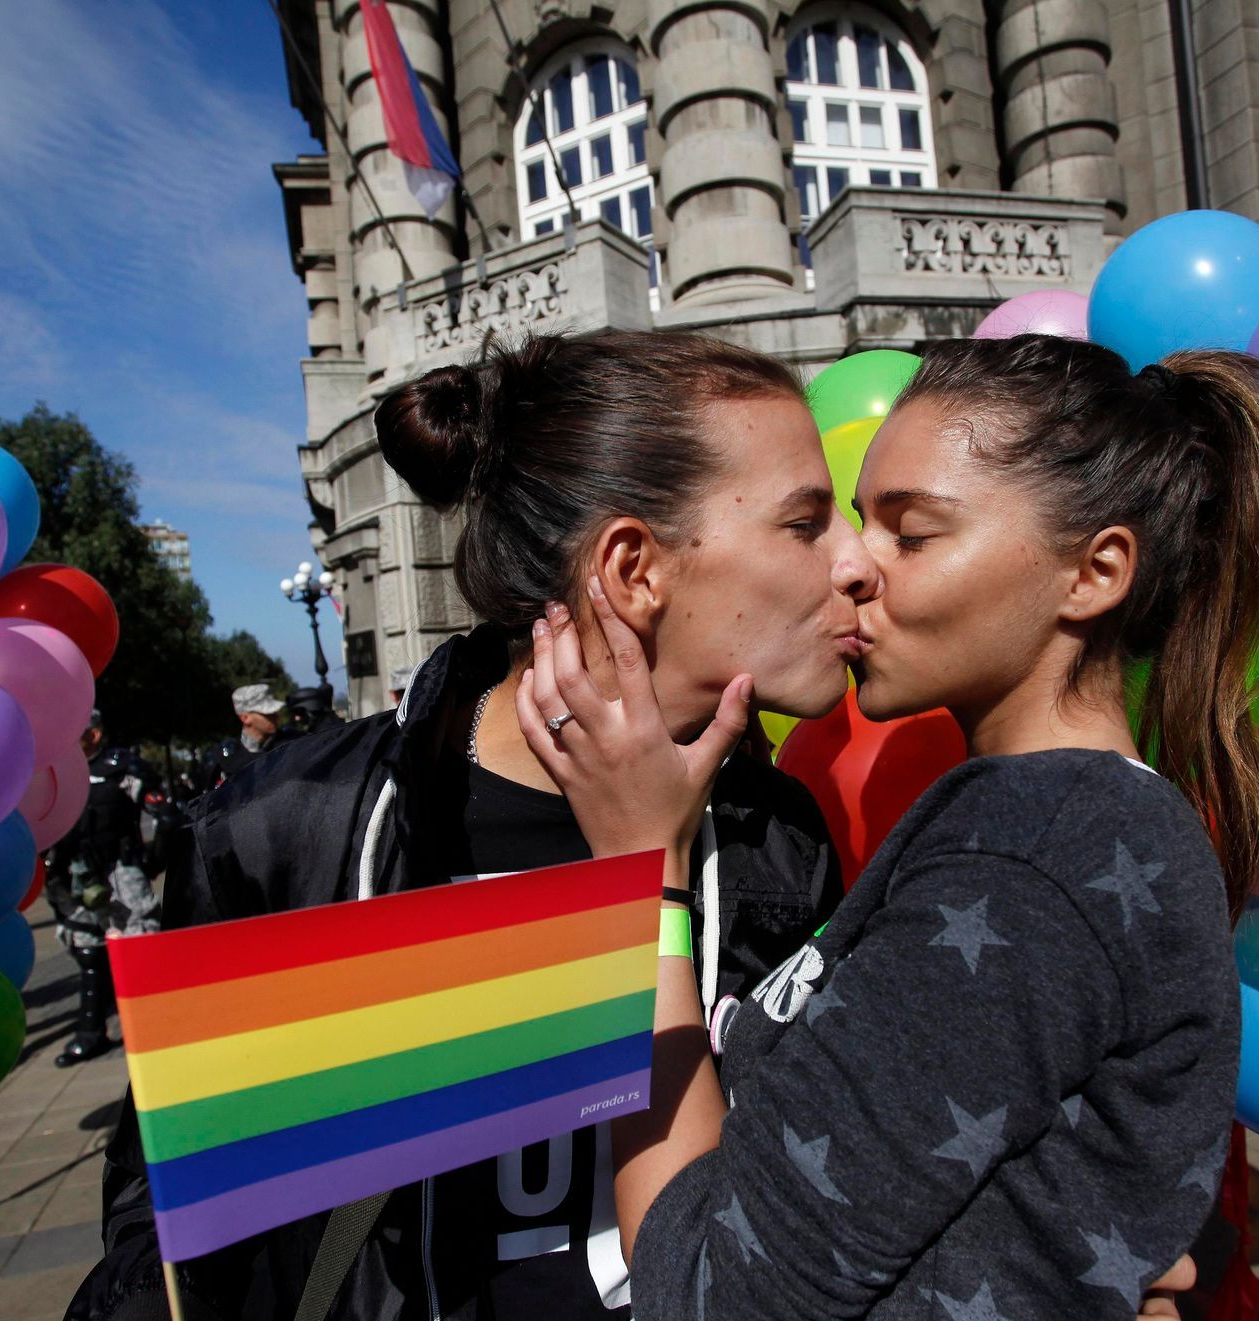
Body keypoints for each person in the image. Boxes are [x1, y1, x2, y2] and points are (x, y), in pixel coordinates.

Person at [69, 331, 865, 1321]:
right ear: (631, 568)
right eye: (806, 522)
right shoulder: (291, 824)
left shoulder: (778, 839)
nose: (859, 561)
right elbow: (176, 1233)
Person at [516, 335, 1259, 1319]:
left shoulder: (1035, 854)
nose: (850, 567)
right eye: (837, 521)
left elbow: (709, 1296)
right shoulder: (1039, 823)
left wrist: (639, 875)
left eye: (910, 535)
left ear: (1092, 573)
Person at [48, 712, 164, 1067]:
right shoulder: (55, 774)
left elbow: (166, 818)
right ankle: (91, 1032)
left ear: (93, 734)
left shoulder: (122, 770)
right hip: (76, 876)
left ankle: (156, 1029)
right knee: (88, 953)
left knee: (139, 949)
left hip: (120, 872)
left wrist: (152, 861)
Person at [199, 684, 287, 788]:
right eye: (267, 714)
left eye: (275, 711)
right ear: (245, 718)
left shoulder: (291, 744)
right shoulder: (224, 757)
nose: (276, 717)